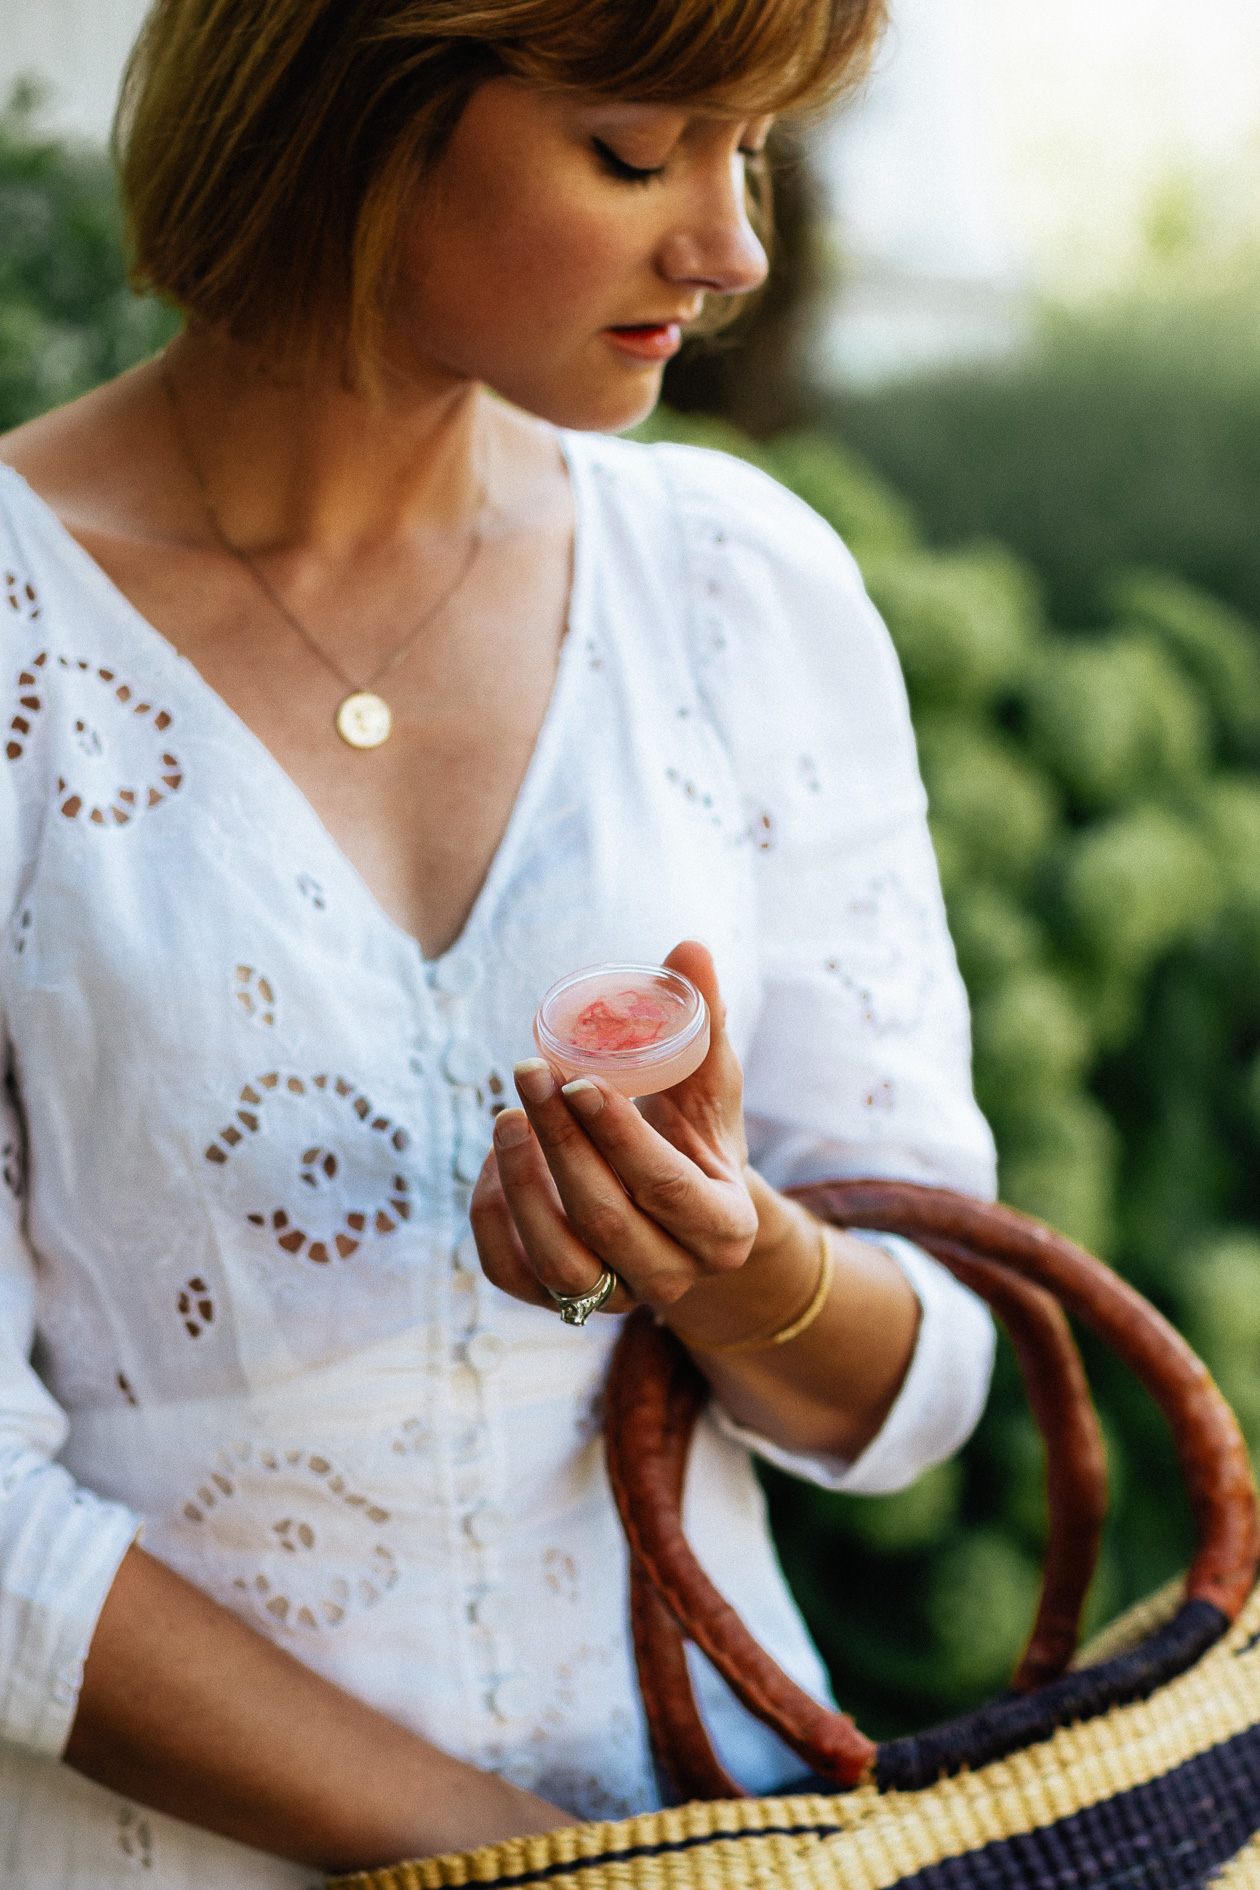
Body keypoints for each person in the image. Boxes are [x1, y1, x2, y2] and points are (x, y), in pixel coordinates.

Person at [0, 0, 999, 1881]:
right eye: (640, 152)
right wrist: (542, 1871)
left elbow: (926, 1372)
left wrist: (731, 1264)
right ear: (353, 109)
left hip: (731, 1824)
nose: (732, 248)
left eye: (752, 152)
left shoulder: (740, 587)